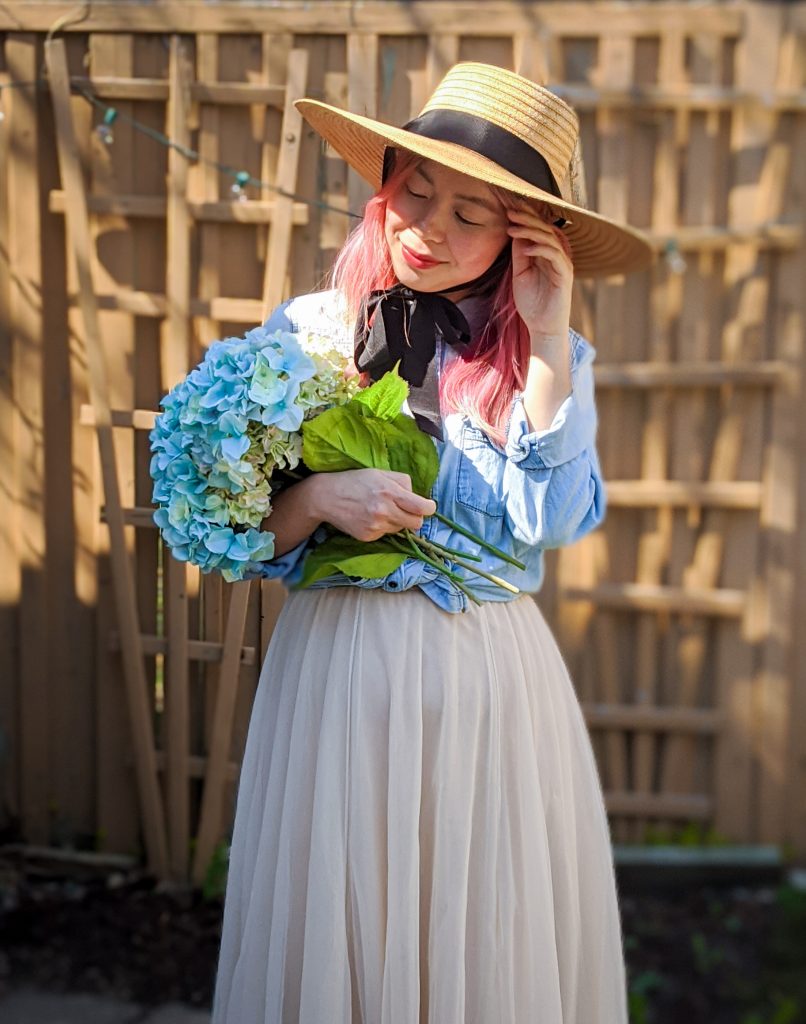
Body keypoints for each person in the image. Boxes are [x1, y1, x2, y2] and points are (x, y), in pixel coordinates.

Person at [210, 62, 652, 1023]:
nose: (430, 227)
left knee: (478, 928)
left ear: (520, 236)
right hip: (336, 677)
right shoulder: (306, 336)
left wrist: (542, 338)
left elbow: (552, 524)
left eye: (471, 212)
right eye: (416, 191)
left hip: (489, 688)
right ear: (385, 188)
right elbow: (240, 532)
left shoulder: (549, 358)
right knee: (343, 924)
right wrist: (322, 495)